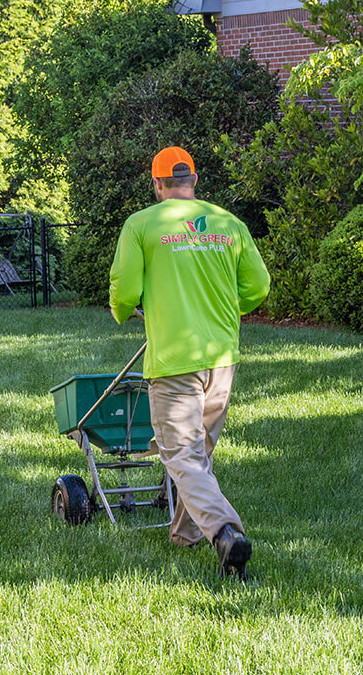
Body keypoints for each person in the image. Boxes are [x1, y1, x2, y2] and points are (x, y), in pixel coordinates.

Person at [109, 146, 270, 580]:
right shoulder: (228, 224)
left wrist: (122, 310)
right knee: (199, 454)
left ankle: (225, 532)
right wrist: (224, 311)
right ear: (194, 181)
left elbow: (124, 290)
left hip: (175, 361)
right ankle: (184, 535)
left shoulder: (142, 224)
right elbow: (258, 286)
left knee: (180, 455)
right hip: (221, 358)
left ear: (157, 183)